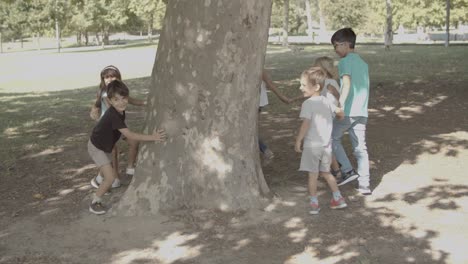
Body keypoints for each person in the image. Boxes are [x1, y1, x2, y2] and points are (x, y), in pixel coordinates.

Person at [87, 80, 166, 214]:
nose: (121, 102)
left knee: (106, 170)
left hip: (105, 145)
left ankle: (98, 180)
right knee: (110, 178)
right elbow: (130, 135)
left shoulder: (119, 109)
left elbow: (133, 102)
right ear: (110, 101)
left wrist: (146, 102)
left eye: (124, 98)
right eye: (116, 99)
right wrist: (153, 137)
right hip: (96, 147)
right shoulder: (113, 115)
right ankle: (95, 202)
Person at [294, 67, 347, 215]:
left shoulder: (308, 104)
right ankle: (338, 198)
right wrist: (339, 116)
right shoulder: (325, 101)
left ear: (316, 87)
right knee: (326, 173)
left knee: (313, 175)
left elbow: (306, 123)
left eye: (304, 85)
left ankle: (313, 204)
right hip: (326, 146)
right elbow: (339, 112)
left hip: (312, 145)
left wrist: (299, 140)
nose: (300, 88)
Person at [90, 65, 146, 189]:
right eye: (107, 77)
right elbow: (107, 107)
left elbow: (132, 100)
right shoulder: (105, 94)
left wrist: (145, 102)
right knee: (112, 152)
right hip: (109, 128)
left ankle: (129, 168)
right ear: (103, 79)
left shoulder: (119, 92)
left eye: (113, 76)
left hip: (118, 126)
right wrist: (94, 110)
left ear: (119, 78)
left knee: (133, 142)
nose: (110, 79)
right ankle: (114, 177)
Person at [330, 28, 371, 195]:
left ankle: (347, 170)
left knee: (331, 138)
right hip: (362, 112)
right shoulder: (363, 63)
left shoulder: (344, 62)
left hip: (348, 111)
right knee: (361, 148)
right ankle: (365, 184)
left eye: (336, 46)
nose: (335, 50)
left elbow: (346, 84)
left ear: (346, 44)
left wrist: (340, 105)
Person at [258, 69, 297, 163]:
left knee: (250, 129)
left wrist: (282, 97)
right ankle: (264, 150)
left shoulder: (257, 66)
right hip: (254, 101)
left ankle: (265, 150)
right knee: (250, 128)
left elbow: (269, 82)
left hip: (256, 102)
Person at [312, 56, 342, 177]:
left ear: (323, 70)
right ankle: (331, 167)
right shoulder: (326, 82)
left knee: (324, 144)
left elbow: (337, 98)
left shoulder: (329, 83)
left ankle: (336, 170)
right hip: (325, 116)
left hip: (327, 117)